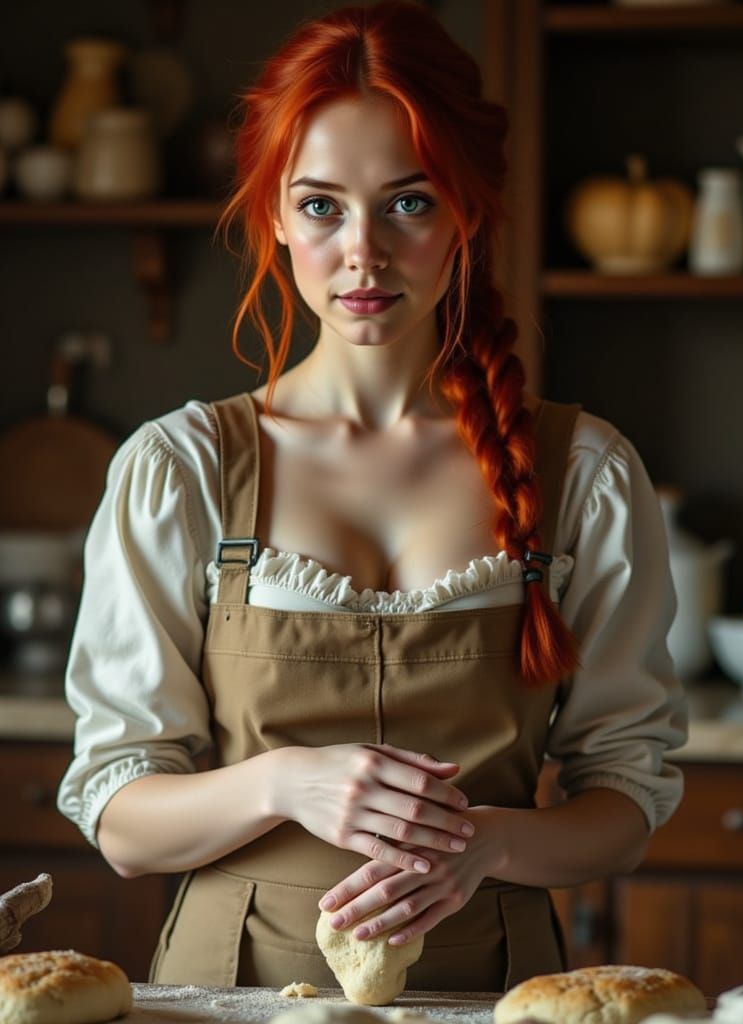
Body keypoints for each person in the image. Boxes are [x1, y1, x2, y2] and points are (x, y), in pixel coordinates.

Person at [58, 0, 687, 991]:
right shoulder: (177, 469)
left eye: (408, 202)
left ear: (467, 209)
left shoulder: (586, 474)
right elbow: (123, 823)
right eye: (320, 206)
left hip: (493, 992)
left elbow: (625, 802)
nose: (362, 252)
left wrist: (486, 844)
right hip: (228, 995)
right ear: (271, 212)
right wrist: (285, 780)